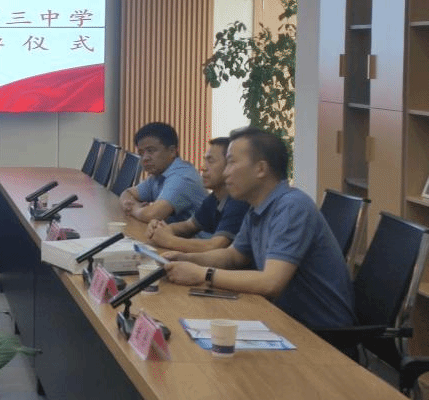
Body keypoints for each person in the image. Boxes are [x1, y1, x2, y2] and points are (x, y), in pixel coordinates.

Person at [163, 127, 355, 330]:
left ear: (261, 169)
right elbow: (233, 256)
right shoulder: (257, 207)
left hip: (320, 333)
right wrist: (186, 259)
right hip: (281, 316)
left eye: (232, 163)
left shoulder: (291, 207)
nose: (226, 172)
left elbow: (271, 282)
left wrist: (203, 274)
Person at [145, 137, 248, 253]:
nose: (203, 168)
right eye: (205, 160)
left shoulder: (239, 201)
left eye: (211, 161)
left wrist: (168, 240)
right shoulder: (214, 198)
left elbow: (215, 246)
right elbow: (188, 226)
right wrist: (160, 228)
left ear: (230, 165)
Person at [119, 121, 207, 223]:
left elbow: (152, 215)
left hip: (197, 234)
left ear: (172, 151)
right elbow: (127, 193)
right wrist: (132, 205)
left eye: (151, 151)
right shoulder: (158, 174)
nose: (145, 158)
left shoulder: (182, 177)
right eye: (141, 153)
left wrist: (134, 209)